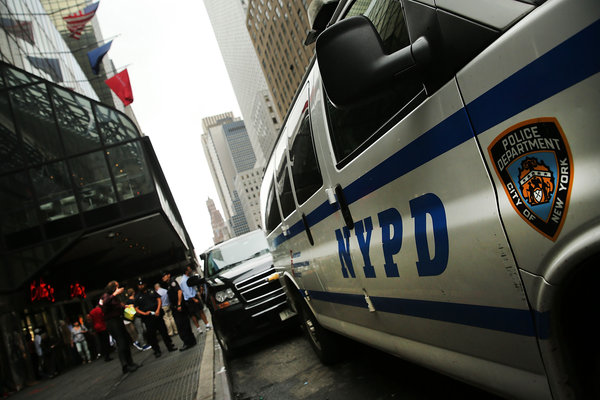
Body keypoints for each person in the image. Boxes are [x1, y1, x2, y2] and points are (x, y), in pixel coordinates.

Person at [100, 280, 139, 374]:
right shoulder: (106, 296)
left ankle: (130, 362)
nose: (118, 289)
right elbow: (105, 303)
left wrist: (125, 306)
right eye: (116, 287)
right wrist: (115, 294)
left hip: (118, 320)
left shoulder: (114, 298)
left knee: (125, 341)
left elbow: (116, 306)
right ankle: (125, 366)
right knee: (121, 342)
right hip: (112, 322)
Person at [134, 278, 177, 358]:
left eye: (142, 284)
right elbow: (136, 308)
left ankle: (170, 346)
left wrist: (157, 310)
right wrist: (144, 313)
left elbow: (159, 299)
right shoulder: (137, 296)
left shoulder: (151, 291)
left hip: (157, 315)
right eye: (140, 285)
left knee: (164, 331)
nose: (141, 286)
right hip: (148, 318)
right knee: (152, 336)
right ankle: (156, 351)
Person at [161, 271, 196, 351]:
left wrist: (179, 304)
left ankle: (187, 342)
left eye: (164, 276)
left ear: (168, 275)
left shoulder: (172, 282)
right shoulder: (169, 284)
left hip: (178, 307)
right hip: (176, 307)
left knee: (181, 325)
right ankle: (191, 341)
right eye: (162, 277)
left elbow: (179, 292)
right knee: (184, 324)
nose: (163, 278)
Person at [180, 265, 211, 333]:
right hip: (190, 299)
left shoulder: (189, 277)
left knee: (201, 311)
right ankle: (198, 328)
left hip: (195, 296)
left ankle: (207, 324)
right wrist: (194, 299)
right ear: (186, 271)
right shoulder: (183, 280)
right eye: (189, 269)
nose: (191, 269)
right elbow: (187, 291)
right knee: (193, 314)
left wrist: (197, 292)